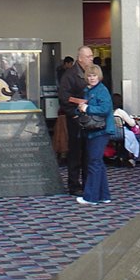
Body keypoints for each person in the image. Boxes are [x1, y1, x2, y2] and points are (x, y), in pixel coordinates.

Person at [75, 64, 116, 205]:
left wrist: (87, 108)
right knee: (98, 163)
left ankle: (91, 197)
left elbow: (105, 109)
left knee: (93, 162)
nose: (92, 78)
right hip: (95, 130)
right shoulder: (89, 90)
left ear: (99, 76)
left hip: (100, 130)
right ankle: (104, 195)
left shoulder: (101, 90)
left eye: (94, 75)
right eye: (90, 75)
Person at [58, 45, 92, 196]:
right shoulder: (70, 75)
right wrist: (75, 114)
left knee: (88, 153)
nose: (91, 59)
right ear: (80, 58)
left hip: (90, 119)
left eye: (91, 56)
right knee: (75, 153)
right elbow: (64, 99)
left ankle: (87, 183)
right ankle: (74, 185)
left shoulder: (92, 73)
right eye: (88, 57)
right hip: (76, 120)